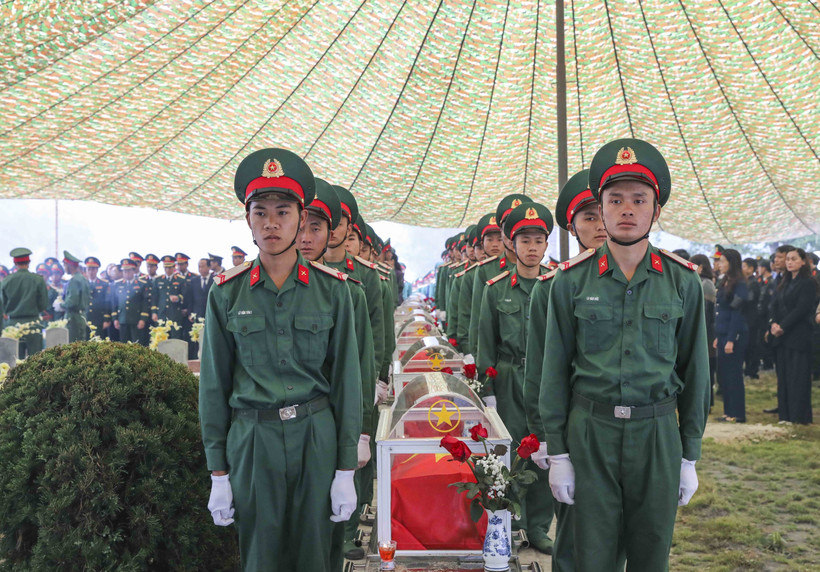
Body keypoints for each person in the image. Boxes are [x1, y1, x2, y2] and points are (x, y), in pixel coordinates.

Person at [540, 139, 710, 570]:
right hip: (590, 433)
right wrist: (558, 452)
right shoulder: (570, 283)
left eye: (639, 199)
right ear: (601, 207)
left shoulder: (682, 282)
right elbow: (554, 373)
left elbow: (696, 372)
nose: (627, 209)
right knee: (590, 557)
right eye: (615, 200)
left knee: (651, 554)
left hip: (656, 435)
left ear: (656, 210)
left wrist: (689, 454)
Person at [199, 148, 362, 572]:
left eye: (283, 212)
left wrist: (347, 467)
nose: (272, 223)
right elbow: (214, 387)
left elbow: (347, 380)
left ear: (301, 216)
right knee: (261, 558)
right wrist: (218, 473)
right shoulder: (226, 292)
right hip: (254, 441)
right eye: (260, 212)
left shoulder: (332, 290)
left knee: (315, 556)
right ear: (247, 219)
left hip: (315, 436)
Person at [524, 169, 609, 569]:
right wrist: (544, 437)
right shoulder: (554, 286)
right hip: (578, 423)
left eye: (603, 213)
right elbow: (541, 369)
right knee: (576, 535)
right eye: (588, 217)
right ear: (572, 227)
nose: (601, 224)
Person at [296, 178, 377, 565]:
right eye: (301, 225)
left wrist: (360, 431)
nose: (306, 236)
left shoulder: (347, 291)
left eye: (316, 227)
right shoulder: (239, 289)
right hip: (268, 435)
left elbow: (357, 367)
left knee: (324, 530)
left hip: (323, 425)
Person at [477, 201, 555, 555]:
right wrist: (488, 390)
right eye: (525, 240)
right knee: (507, 454)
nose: (532, 247)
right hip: (508, 378)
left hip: (546, 379)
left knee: (544, 449)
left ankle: (539, 526)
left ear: (546, 244)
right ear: (512, 243)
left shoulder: (558, 283)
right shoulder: (495, 288)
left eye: (539, 240)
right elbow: (485, 341)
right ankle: (508, 523)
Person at [769, 248, 815, 424]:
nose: (789, 262)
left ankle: (799, 416)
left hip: (798, 335)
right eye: (787, 259)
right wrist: (773, 324)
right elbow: (774, 306)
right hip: (781, 336)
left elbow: (802, 309)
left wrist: (783, 325)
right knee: (784, 376)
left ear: (803, 261)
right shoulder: (784, 282)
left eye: (794, 259)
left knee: (798, 376)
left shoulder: (808, 283)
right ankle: (785, 414)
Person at [714, 249, 750, 423]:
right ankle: (728, 411)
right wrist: (718, 336)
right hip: (722, 333)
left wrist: (730, 338)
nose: (719, 264)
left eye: (722, 261)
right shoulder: (725, 281)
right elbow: (721, 309)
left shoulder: (740, 283)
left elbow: (737, 313)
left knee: (734, 374)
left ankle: (738, 412)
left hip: (734, 335)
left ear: (731, 262)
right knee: (724, 375)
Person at [0, 248, 49, 358]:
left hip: (13, 325)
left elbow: (2, 305)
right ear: (29, 262)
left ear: (14, 262)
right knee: (35, 361)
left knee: (14, 361)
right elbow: (44, 305)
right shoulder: (38, 280)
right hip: (33, 324)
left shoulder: (6, 281)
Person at [691, 254, 717, 408]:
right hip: (704, 331)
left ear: (700, 267)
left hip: (706, 333)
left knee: (706, 368)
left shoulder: (705, 284)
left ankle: (707, 402)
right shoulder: (700, 282)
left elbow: (706, 313)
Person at [110, 258, 150, 345]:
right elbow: (114, 303)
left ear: (133, 271)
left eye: (128, 271)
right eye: (124, 271)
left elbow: (145, 303)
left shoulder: (141, 284)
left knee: (137, 344)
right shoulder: (117, 284)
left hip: (136, 319)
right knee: (124, 344)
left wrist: (143, 319)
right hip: (122, 319)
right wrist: (115, 319)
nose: (126, 273)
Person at [151, 256, 186, 337]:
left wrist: (178, 298)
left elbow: (185, 295)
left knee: (175, 337)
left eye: (170, 267)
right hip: (162, 314)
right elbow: (154, 298)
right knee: (161, 338)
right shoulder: (158, 280)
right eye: (165, 267)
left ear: (174, 267)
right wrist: (154, 313)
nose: (167, 270)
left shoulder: (180, 279)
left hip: (175, 314)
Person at [62, 251, 91, 343]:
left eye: (65, 265)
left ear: (69, 265)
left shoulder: (74, 280)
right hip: (81, 316)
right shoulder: (83, 279)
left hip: (73, 318)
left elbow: (72, 302)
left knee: (73, 345)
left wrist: (61, 305)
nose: (64, 267)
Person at [741, 258, 761, 379]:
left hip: (751, 318)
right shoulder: (745, 281)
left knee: (752, 345)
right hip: (745, 317)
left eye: (744, 266)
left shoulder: (753, 283)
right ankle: (747, 369)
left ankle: (752, 370)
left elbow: (749, 299)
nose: (742, 269)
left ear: (751, 269)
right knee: (746, 345)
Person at [85, 257, 111, 339]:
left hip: (99, 319)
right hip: (85, 318)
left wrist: (107, 319)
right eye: (89, 269)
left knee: (98, 342)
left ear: (97, 270)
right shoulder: (82, 283)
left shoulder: (104, 284)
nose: (91, 272)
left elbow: (107, 302)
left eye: (93, 269)